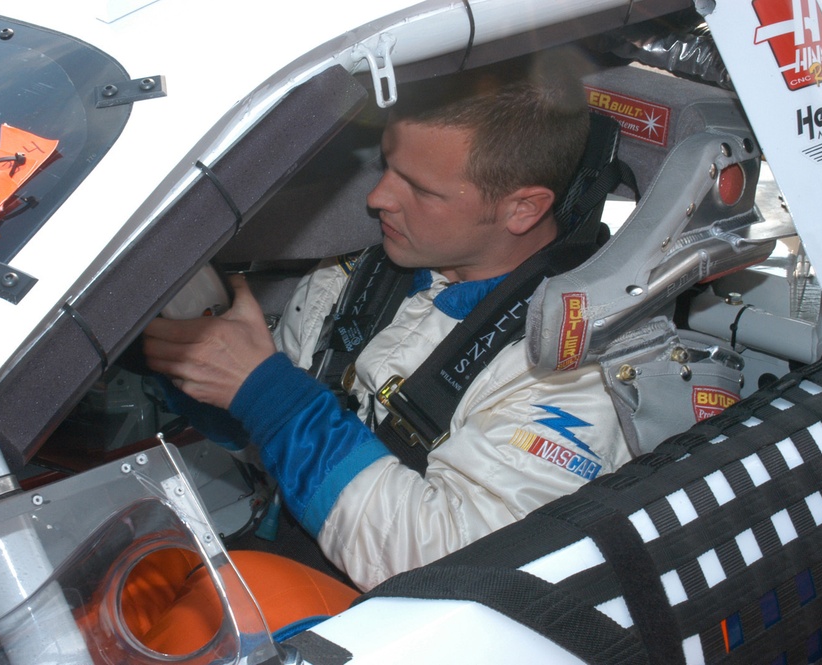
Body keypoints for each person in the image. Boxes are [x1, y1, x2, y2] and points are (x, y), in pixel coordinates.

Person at [141, 58, 631, 598]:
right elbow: (276, 437)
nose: (377, 198)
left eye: (419, 188)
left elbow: (455, 568)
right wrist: (204, 376)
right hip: (282, 556)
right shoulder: (354, 274)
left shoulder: (574, 368)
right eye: (386, 166)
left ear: (522, 209)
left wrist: (268, 394)